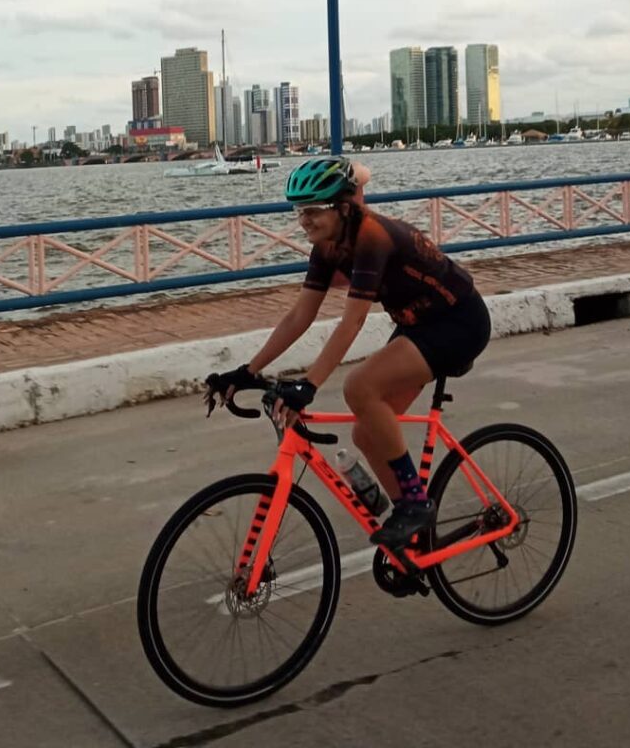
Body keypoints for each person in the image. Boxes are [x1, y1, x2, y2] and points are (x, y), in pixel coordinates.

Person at [207, 156, 492, 550]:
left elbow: (351, 323)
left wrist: (309, 386)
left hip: (459, 322)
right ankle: (415, 538)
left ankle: (415, 503)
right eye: (298, 211)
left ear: (343, 207)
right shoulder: (326, 247)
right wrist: (247, 370)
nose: (303, 220)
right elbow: (300, 315)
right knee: (366, 431)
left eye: (313, 211)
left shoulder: (372, 238)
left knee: (359, 387)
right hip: (417, 324)